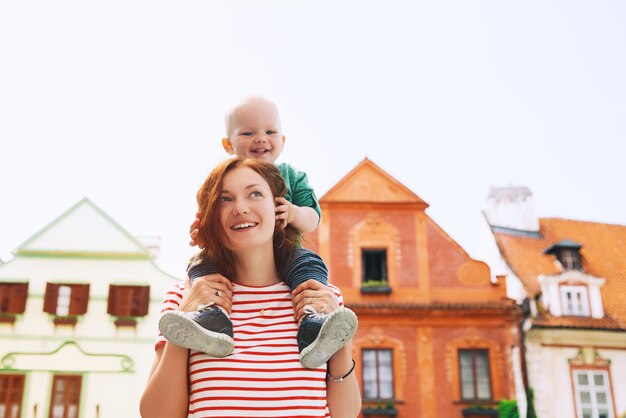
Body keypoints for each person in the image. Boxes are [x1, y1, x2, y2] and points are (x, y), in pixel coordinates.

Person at [140, 158, 361, 418]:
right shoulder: (185, 296)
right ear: (211, 216)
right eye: (225, 199)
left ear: (278, 208)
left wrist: (341, 341)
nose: (241, 208)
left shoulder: (320, 294)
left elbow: (344, 414)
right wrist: (183, 323)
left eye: (255, 193)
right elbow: (157, 415)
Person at [159, 96, 357, 369]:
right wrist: (201, 234)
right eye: (248, 132)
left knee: (309, 264)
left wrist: (294, 213)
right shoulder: (220, 179)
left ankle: (314, 320)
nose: (260, 139)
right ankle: (209, 315)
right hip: (228, 259)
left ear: (283, 140)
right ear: (228, 145)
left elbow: (313, 218)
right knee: (200, 264)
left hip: (286, 253)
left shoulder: (291, 175)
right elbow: (209, 221)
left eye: (270, 131)